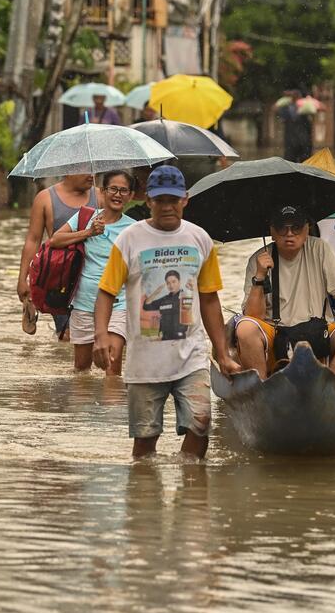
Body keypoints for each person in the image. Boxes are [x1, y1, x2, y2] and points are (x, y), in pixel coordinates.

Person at [93, 165, 241, 459]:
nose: (167, 207)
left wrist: (222, 354)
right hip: (145, 363)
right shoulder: (130, 240)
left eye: (173, 200)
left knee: (200, 425)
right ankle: (147, 495)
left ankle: (190, 488)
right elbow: (107, 292)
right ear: (148, 200)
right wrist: (101, 336)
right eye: (160, 200)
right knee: (145, 445)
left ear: (185, 199)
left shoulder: (200, 239)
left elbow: (209, 299)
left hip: (191, 357)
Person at [235, 205, 335, 379]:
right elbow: (254, 317)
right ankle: (260, 392)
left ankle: (329, 384)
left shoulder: (320, 250)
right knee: (245, 328)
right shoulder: (259, 260)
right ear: (272, 231)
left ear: (307, 228)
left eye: (296, 227)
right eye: (282, 228)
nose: (289, 234)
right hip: (275, 333)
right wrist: (260, 277)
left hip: (318, 331)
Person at [47, 169, 137, 373]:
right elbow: (55, 240)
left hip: (119, 303)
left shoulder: (134, 229)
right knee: (81, 369)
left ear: (131, 196)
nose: (117, 195)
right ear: (102, 192)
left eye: (124, 191)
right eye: (113, 189)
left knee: (113, 368)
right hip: (84, 302)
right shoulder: (85, 216)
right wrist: (88, 232)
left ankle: (112, 404)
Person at [17, 174, 99, 340]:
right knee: (68, 336)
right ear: (70, 170)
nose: (92, 174)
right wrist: (22, 279)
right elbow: (33, 240)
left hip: (94, 275)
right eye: (85, 169)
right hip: (60, 278)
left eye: (92, 169)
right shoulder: (45, 198)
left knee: (96, 334)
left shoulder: (100, 196)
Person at [142, 269, 189, 341]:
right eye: (168, 283)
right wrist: (156, 292)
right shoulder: (164, 299)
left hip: (180, 339)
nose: (171, 285)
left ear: (179, 282)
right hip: (164, 338)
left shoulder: (185, 296)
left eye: (174, 282)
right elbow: (146, 306)